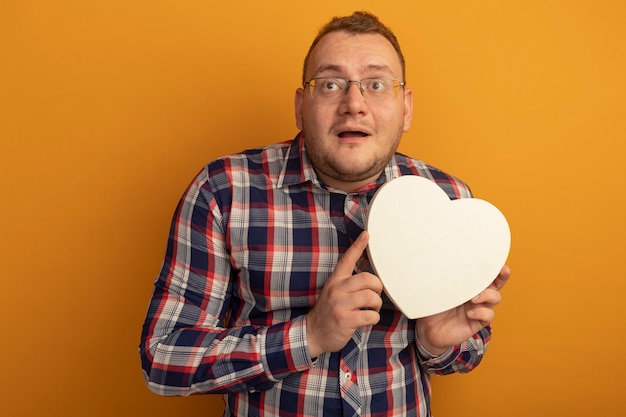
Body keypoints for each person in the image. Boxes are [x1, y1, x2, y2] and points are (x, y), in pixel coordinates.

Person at [139, 10, 511, 417]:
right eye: (331, 84)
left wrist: (437, 343)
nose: (354, 104)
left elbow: (466, 354)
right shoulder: (224, 191)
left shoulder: (449, 201)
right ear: (301, 107)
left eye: (377, 84)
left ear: (406, 109)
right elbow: (164, 359)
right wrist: (310, 335)